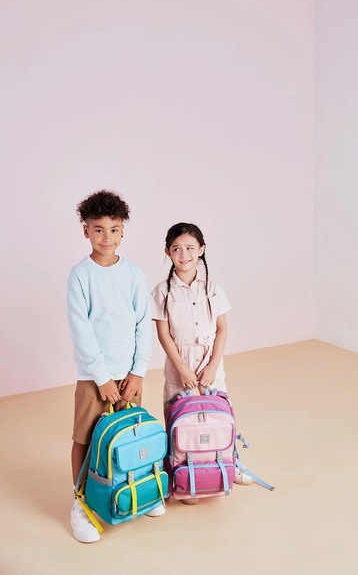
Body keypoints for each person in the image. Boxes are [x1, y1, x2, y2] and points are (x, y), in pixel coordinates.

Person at [67, 189, 164, 543]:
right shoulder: (80, 275)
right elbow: (82, 330)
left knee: (130, 436)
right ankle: (80, 502)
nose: (106, 237)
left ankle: (135, 488)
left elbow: (142, 325)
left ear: (123, 231)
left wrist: (138, 371)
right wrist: (102, 378)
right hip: (94, 377)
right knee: (85, 438)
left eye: (114, 229)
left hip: (129, 376)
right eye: (98, 229)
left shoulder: (133, 273)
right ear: (86, 231)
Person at [151, 222, 253, 504]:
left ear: (201, 250)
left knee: (218, 415)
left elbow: (222, 329)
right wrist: (182, 369)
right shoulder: (162, 292)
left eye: (190, 248)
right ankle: (184, 474)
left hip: (210, 365)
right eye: (176, 248)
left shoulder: (213, 288)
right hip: (179, 365)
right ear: (168, 252)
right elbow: (163, 334)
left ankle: (227, 463)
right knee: (183, 421)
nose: (183, 254)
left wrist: (212, 366)